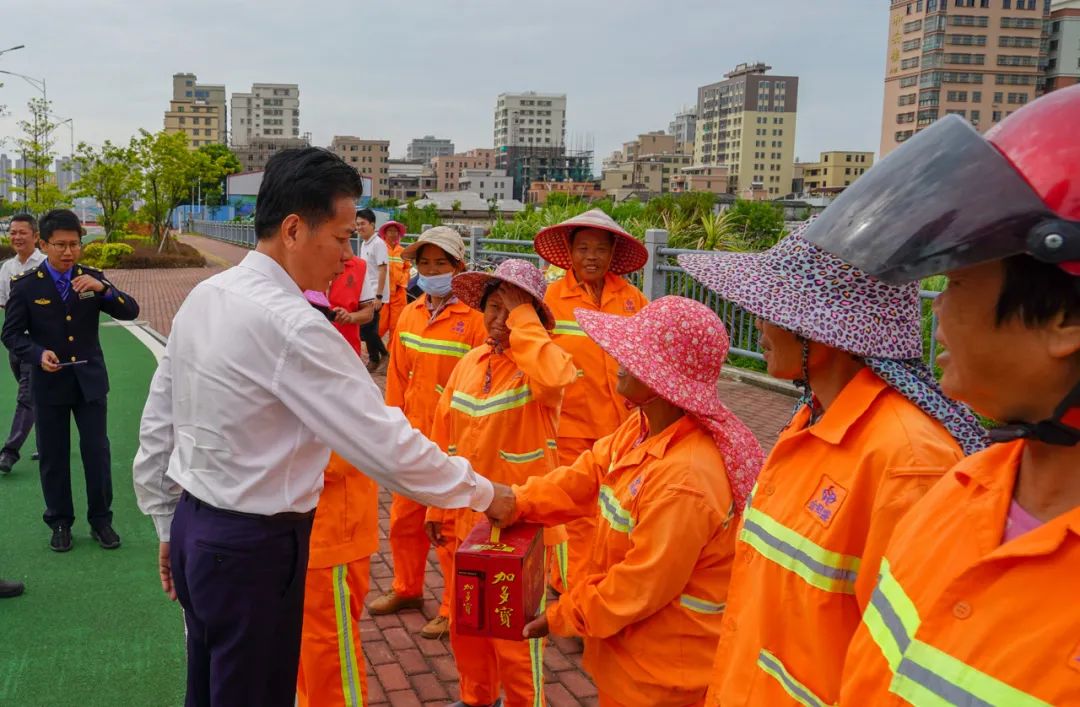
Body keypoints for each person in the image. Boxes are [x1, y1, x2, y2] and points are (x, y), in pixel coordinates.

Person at [132, 148, 508, 707]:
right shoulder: (294, 326)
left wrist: (167, 522)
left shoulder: (208, 296)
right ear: (292, 230)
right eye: (340, 237)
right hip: (254, 548)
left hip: (197, 527)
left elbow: (159, 421)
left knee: (209, 687)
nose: (348, 256)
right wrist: (486, 494)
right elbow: (385, 443)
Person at [796, 88, 1080, 706]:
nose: (938, 310)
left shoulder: (922, 467)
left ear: (1066, 320)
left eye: (954, 282)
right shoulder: (961, 491)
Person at [676, 223, 988, 706]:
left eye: (770, 311)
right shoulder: (815, 415)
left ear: (819, 332)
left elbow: (901, 668)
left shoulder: (908, 460)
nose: (757, 325)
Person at [486, 296, 764, 707]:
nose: (617, 360)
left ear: (663, 379)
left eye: (634, 356)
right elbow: (586, 476)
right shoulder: (643, 426)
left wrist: (564, 615)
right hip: (632, 654)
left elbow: (638, 585)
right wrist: (517, 500)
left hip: (664, 675)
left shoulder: (685, 479)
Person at [429, 258, 576, 707]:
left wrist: (524, 321)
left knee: (514, 633)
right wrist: (435, 505)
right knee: (467, 620)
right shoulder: (469, 363)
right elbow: (442, 437)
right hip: (466, 517)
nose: (499, 319)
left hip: (521, 524)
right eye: (493, 307)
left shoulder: (541, 370)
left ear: (530, 319)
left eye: (510, 311)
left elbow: (557, 375)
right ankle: (476, 698)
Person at [370, 227, 487, 640]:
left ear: (459, 267)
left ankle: (451, 607)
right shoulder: (411, 313)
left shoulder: (475, 319)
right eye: (425, 263)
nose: (432, 271)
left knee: (451, 530)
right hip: (413, 439)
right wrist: (392, 428)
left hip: (454, 445)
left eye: (441, 264)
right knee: (404, 520)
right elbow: (397, 378)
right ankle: (407, 588)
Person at [2, 209, 140, 553]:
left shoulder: (91, 279)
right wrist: (37, 354)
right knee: (53, 455)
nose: (68, 252)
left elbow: (130, 310)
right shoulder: (26, 285)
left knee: (97, 452)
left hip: (89, 383)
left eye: (75, 244)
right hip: (49, 384)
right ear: (44, 244)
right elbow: (12, 334)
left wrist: (104, 290)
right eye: (60, 245)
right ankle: (60, 521)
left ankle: (101, 520)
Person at [532, 208, 649, 592]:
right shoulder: (550, 298)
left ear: (613, 253)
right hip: (569, 425)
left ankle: (596, 583)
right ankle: (573, 590)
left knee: (616, 508)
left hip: (622, 428)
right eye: (583, 248)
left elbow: (648, 358)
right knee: (575, 509)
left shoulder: (632, 299)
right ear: (569, 253)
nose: (592, 257)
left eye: (600, 249)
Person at [296, 288, 378, 707]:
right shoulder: (294, 367)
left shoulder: (337, 371)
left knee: (330, 652)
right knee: (304, 646)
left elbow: (341, 456)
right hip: (302, 534)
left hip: (333, 537)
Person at [0, 214, 46, 474]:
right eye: (13, 232)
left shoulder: (46, 264)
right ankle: (46, 441)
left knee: (26, 396)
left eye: (22, 232)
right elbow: (4, 304)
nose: (16, 237)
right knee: (34, 395)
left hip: (38, 342)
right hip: (15, 342)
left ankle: (9, 452)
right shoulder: (7, 268)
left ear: (36, 236)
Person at [355, 208, 390, 372]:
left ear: (372, 225)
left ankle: (380, 356)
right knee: (368, 329)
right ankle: (378, 357)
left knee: (368, 328)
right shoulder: (364, 244)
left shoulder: (378, 244)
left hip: (376, 294)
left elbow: (383, 269)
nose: (359, 227)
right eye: (357, 224)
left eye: (363, 223)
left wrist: (379, 296)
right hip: (367, 293)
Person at [377, 219, 410, 339]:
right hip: (382, 292)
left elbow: (407, 268)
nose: (393, 234)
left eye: (395, 231)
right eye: (390, 231)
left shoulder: (403, 251)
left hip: (398, 292)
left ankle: (392, 348)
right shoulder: (380, 248)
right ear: (385, 234)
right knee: (380, 324)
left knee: (397, 325)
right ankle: (375, 346)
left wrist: (402, 281)